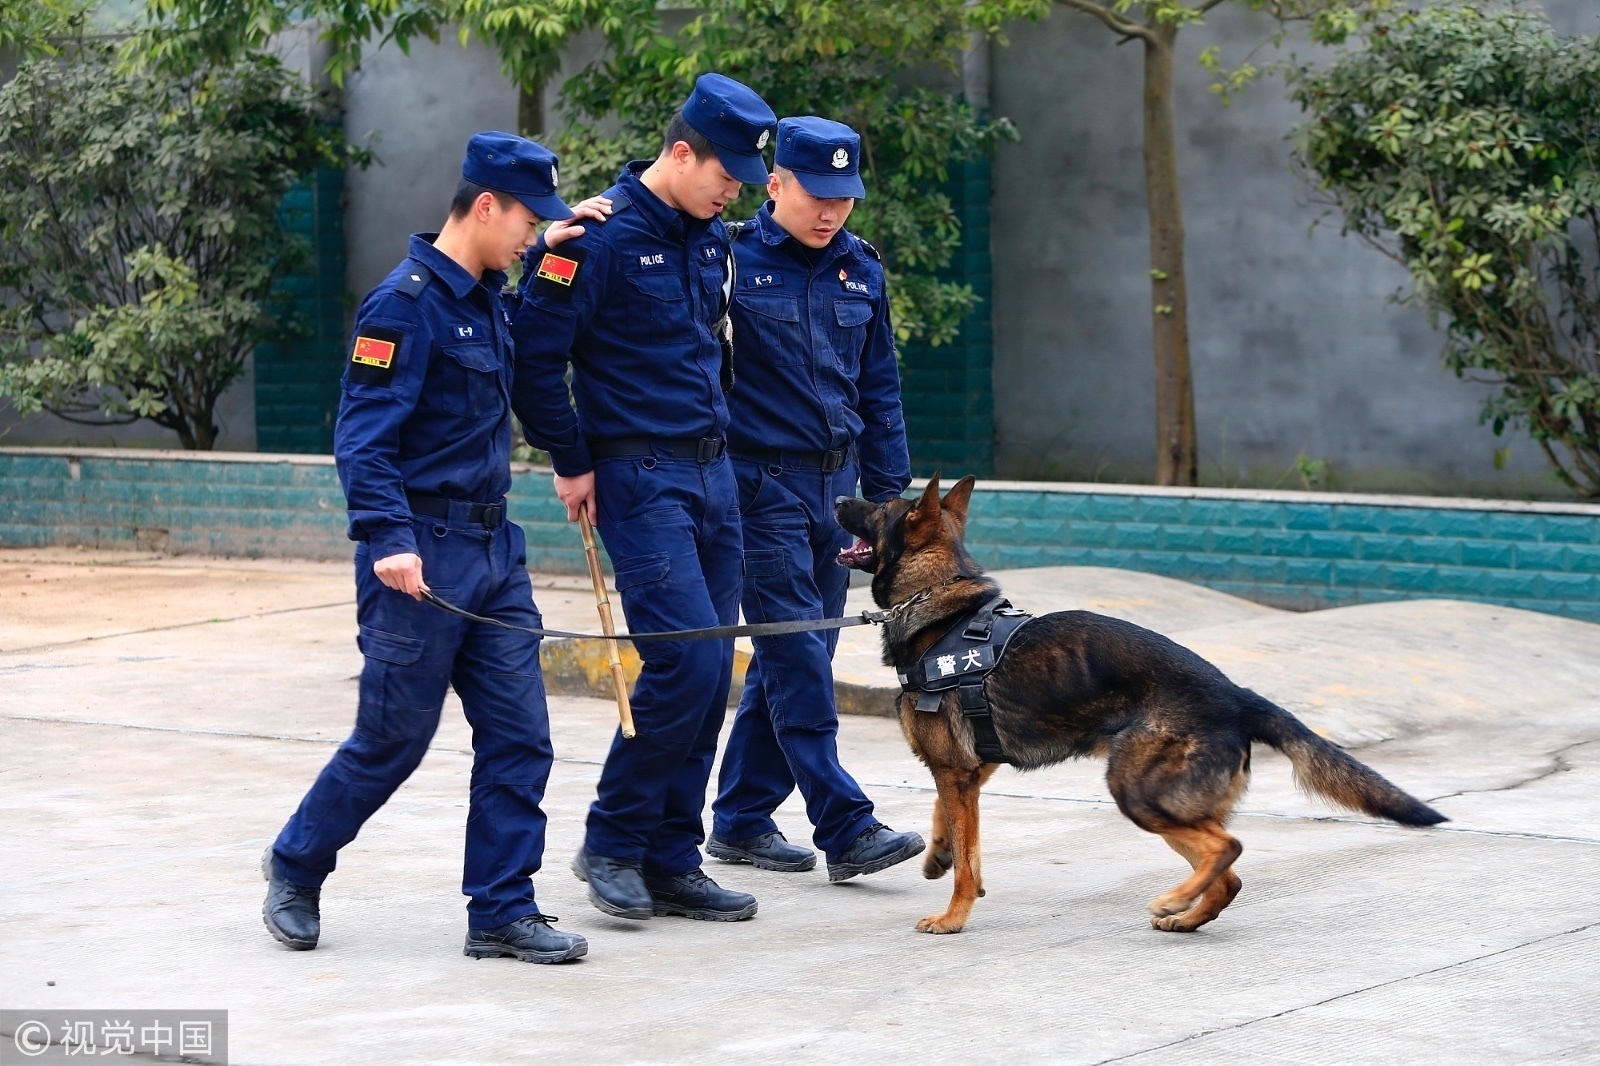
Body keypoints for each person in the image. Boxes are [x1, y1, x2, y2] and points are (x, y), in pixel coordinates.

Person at [262, 132, 603, 964]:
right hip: (419, 554)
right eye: (528, 220)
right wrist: (386, 536)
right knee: (392, 740)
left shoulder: (489, 295)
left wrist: (553, 256)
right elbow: (364, 436)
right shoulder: (402, 306)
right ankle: (296, 863)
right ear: (485, 206)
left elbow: (532, 334)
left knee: (522, 737)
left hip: (494, 548)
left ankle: (502, 910)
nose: (531, 235)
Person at [511, 74, 777, 923]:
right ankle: (613, 840)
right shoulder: (594, 240)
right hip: (638, 475)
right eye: (724, 174)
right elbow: (533, 357)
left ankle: (672, 857)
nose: (733, 189)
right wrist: (571, 456)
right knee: (686, 661)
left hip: (713, 474)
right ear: (680, 152)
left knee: (711, 675)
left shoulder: (710, 239)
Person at [706, 116, 924, 881]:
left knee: (796, 653)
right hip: (756, 484)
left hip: (836, 489)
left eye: (846, 197)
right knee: (797, 653)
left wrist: (891, 499)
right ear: (775, 185)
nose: (832, 211)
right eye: (817, 195)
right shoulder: (726, 258)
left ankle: (738, 819)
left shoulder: (860, 269)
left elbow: (880, 387)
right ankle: (846, 825)